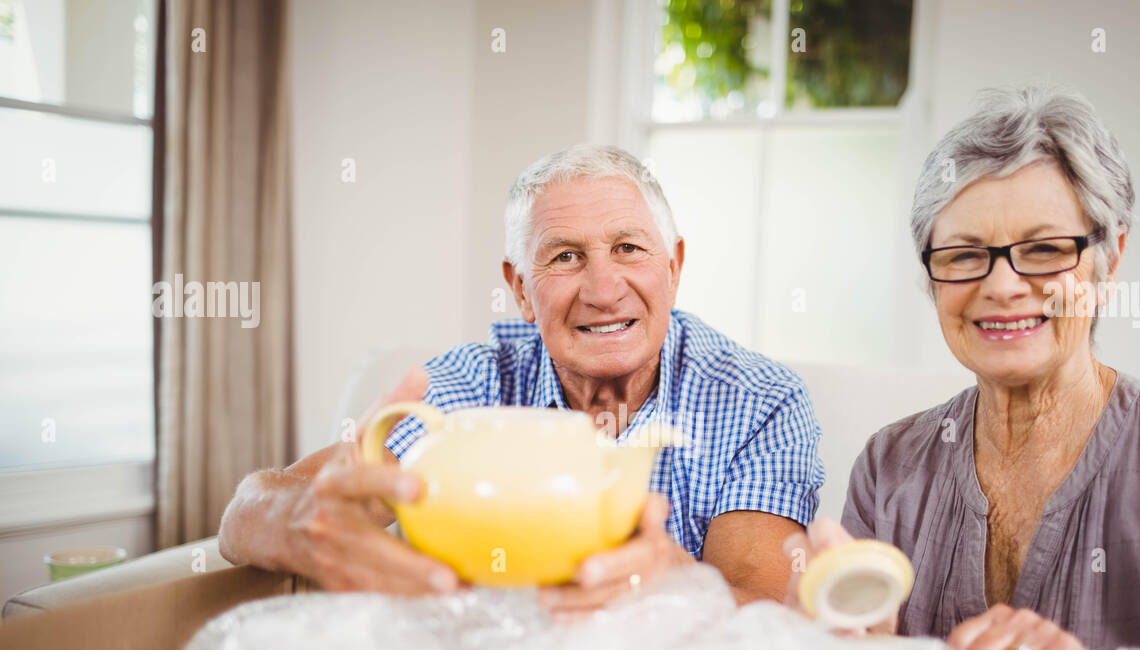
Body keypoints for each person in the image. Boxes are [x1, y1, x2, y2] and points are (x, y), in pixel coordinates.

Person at [787, 85, 1140, 650]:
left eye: (1045, 250)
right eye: (965, 255)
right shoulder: (888, 467)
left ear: (1109, 262)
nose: (1001, 285)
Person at [219, 145, 824, 613]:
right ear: (519, 290)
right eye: (565, 256)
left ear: (674, 266)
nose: (603, 289)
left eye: (629, 249)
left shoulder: (760, 401)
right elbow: (243, 517)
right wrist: (299, 528)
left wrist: (678, 589)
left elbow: (766, 620)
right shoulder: (468, 388)